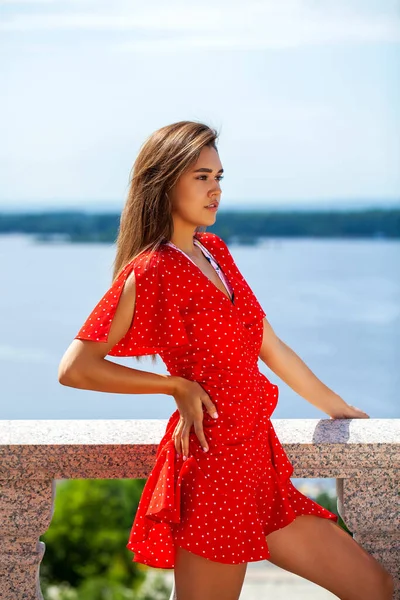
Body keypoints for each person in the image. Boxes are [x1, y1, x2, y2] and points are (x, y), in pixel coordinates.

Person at [58, 120, 394, 600]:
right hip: (215, 470)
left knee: (375, 587)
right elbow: (76, 367)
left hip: (260, 461)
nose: (215, 190)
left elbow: (269, 345)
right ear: (164, 181)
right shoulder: (152, 269)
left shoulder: (214, 251)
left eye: (219, 177)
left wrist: (338, 407)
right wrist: (175, 386)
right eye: (201, 177)